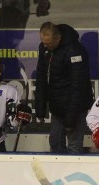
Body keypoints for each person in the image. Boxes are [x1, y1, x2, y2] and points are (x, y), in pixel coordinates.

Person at [34, 22, 93, 154]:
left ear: (58, 38)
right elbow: (41, 77)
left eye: (48, 43)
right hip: (57, 108)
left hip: (76, 109)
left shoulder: (75, 50)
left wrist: (71, 117)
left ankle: (73, 174)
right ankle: (56, 174)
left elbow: (79, 85)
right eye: (43, 42)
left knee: (74, 148)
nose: (44, 45)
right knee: (55, 143)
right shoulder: (44, 48)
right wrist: (40, 110)